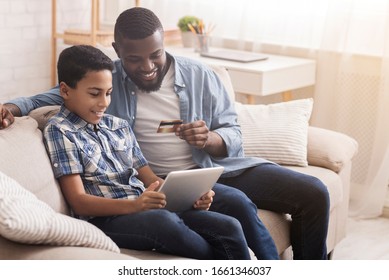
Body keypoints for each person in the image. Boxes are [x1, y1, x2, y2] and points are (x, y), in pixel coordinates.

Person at [0, 7, 329, 259]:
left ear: (164, 44)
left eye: (155, 54)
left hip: (213, 168)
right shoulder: (105, 79)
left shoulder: (201, 75)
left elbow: (234, 133)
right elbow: (48, 97)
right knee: (227, 213)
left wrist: (210, 139)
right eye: (134, 59)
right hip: (160, 181)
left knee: (310, 192)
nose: (147, 66)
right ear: (117, 50)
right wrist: (11, 108)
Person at [42, 44, 253, 260]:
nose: (104, 103)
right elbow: (78, 201)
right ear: (65, 90)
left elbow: (150, 178)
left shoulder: (119, 126)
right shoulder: (60, 130)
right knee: (164, 222)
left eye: (109, 93)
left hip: (144, 208)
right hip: (106, 219)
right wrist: (134, 205)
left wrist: (192, 197)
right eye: (95, 94)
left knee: (229, 225)